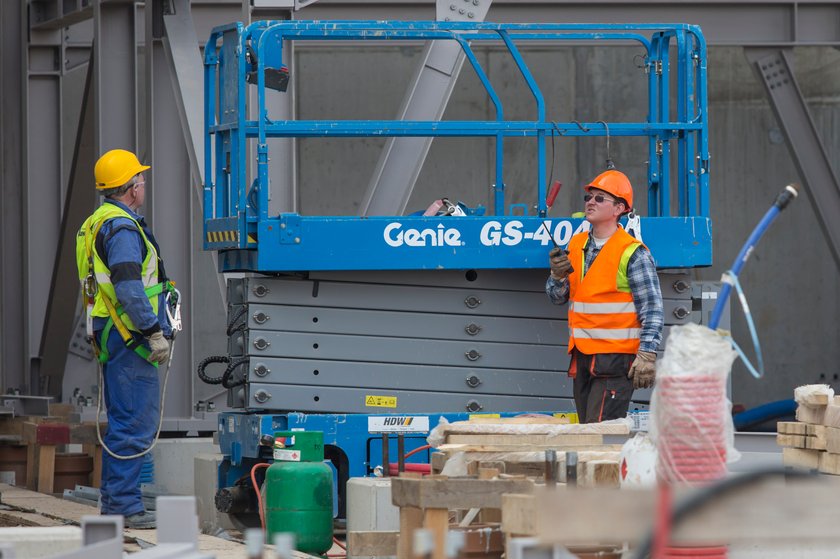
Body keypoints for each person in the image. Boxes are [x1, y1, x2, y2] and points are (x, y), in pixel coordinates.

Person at [76, 149, 175, 529]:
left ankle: (119, 504)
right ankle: (122, 508)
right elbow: (130, 287)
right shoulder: (121, 228)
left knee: (124, 418)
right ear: (132, 189)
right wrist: (152, 331)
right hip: (129, 334)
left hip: (110, 331)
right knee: (133, 422)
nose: (144, 184)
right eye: (142, 180)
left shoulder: (95, 222)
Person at [545, 169, 663, 423]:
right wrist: (557, 276)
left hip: (616, 361)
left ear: (619, 208)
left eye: (600, 198)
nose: (590, 202)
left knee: (601, 437)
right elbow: (558, 298)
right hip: (584, 359)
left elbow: (652, 309)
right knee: (588, 431)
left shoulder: (633, 253)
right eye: (588, 197)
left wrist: (647, 354)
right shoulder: (575, 245)